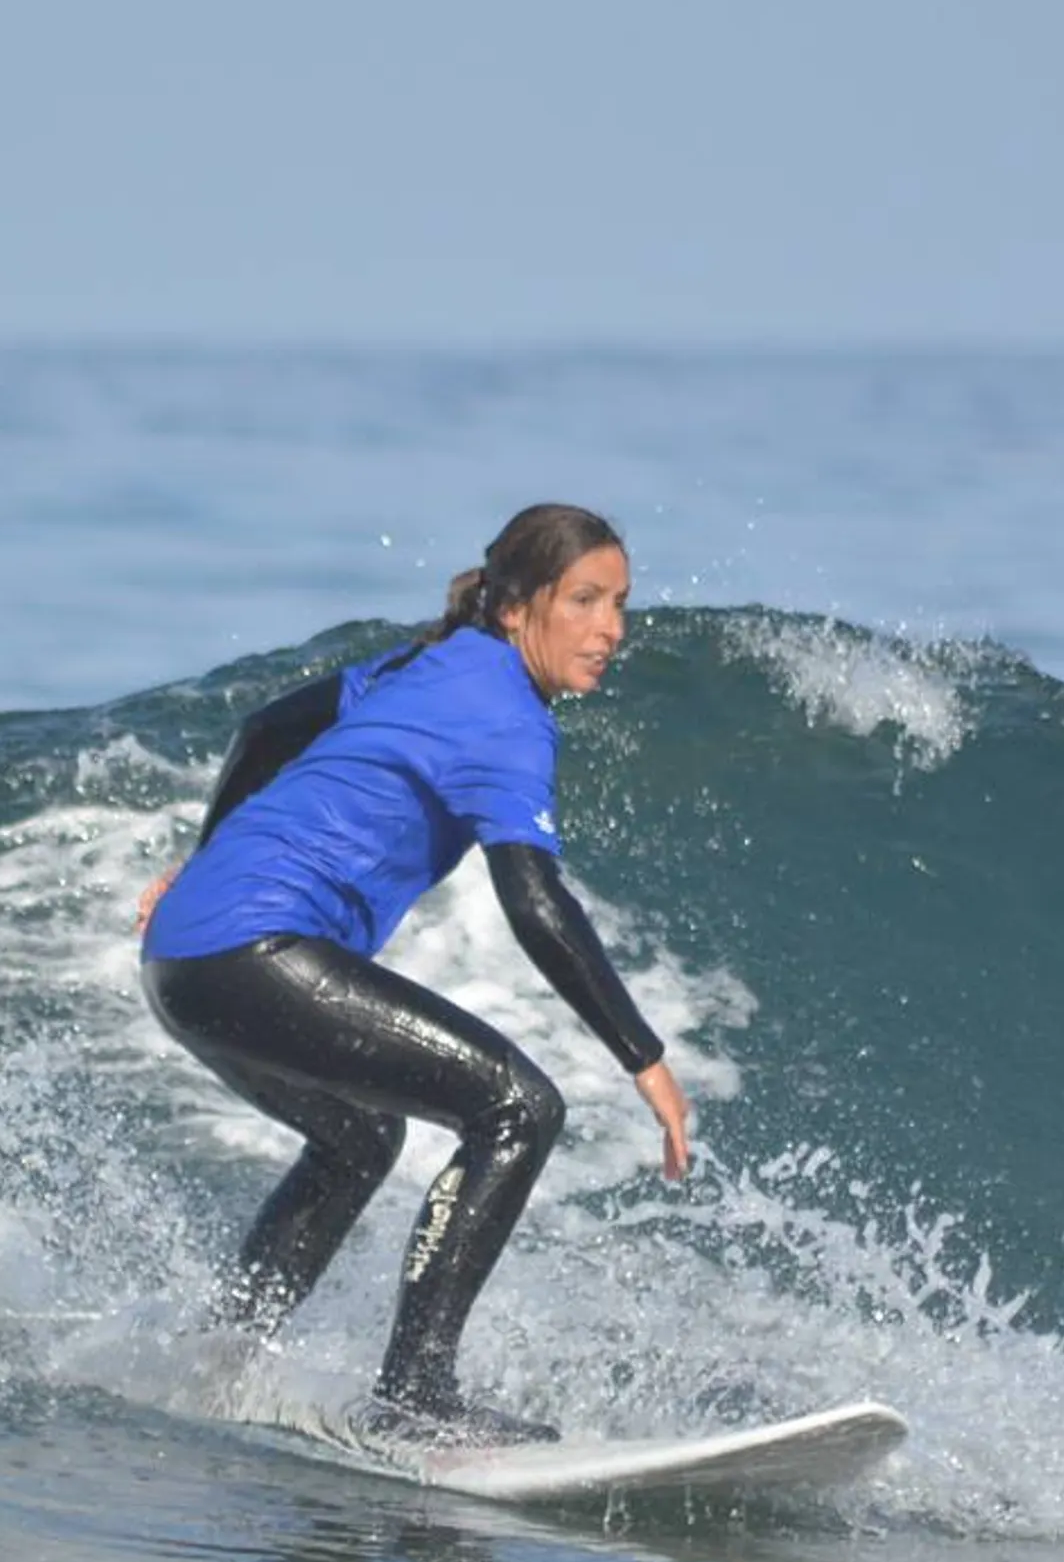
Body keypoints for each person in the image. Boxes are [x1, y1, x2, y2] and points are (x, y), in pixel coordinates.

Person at [136, 503, 694, 1444]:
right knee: (519, 1107)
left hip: (184, 958)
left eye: (621, 604)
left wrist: (204, 865)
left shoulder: (426, 661)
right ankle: (417, 1395)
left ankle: (220, 1356)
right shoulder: (508, 719)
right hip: (252, 948)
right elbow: (536, 903)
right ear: (517, 608)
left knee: (360, 1138)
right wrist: (644, 1058)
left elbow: (265, 729)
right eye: (585, 601)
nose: (612, 630)